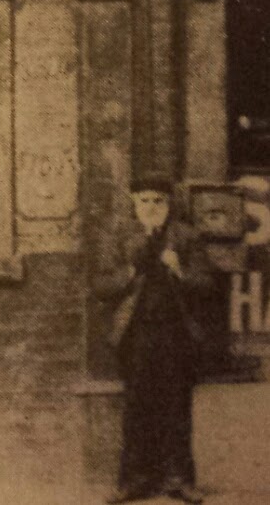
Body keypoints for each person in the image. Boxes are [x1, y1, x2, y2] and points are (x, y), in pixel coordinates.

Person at [101, 176, 214, 504]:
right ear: (134, 203)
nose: (151, 208)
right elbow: (100, 287)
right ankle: (133, 480)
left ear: (169, 204)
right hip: (136, 334)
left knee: (177, 406)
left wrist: (180, 271)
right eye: (144, 201)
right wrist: (130, 273)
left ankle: (179, 479)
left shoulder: (186, 237)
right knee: (137, 406)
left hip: (176, 332)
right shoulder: (121, 235)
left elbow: (208, 287)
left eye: (158, 201)